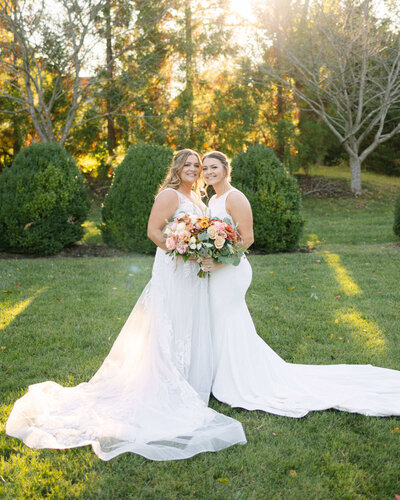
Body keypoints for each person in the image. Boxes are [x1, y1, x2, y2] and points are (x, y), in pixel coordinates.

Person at [6, 149, 246, 461]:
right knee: (169, 320)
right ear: (177, 168)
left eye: (196, 166)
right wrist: (181, 249)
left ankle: (187, 378)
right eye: (187, 164)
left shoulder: (197, 198)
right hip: (174, 268)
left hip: (192, 271)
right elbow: (154, 232)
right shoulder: (170, 195)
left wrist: (197, 251)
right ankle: (165, 382)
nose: (193, 169)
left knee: (190, 321)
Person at [202, 150, 400, 417]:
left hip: (232, 271)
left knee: (227, 319)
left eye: (214, 167)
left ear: (226, 169)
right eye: (205, 168)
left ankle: (237, 379)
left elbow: (247, 239)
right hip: (216, 269)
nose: (208, 172)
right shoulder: (212, 199)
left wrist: (219, 262)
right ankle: (222, 373)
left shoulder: (235, 198)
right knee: (221, 321)